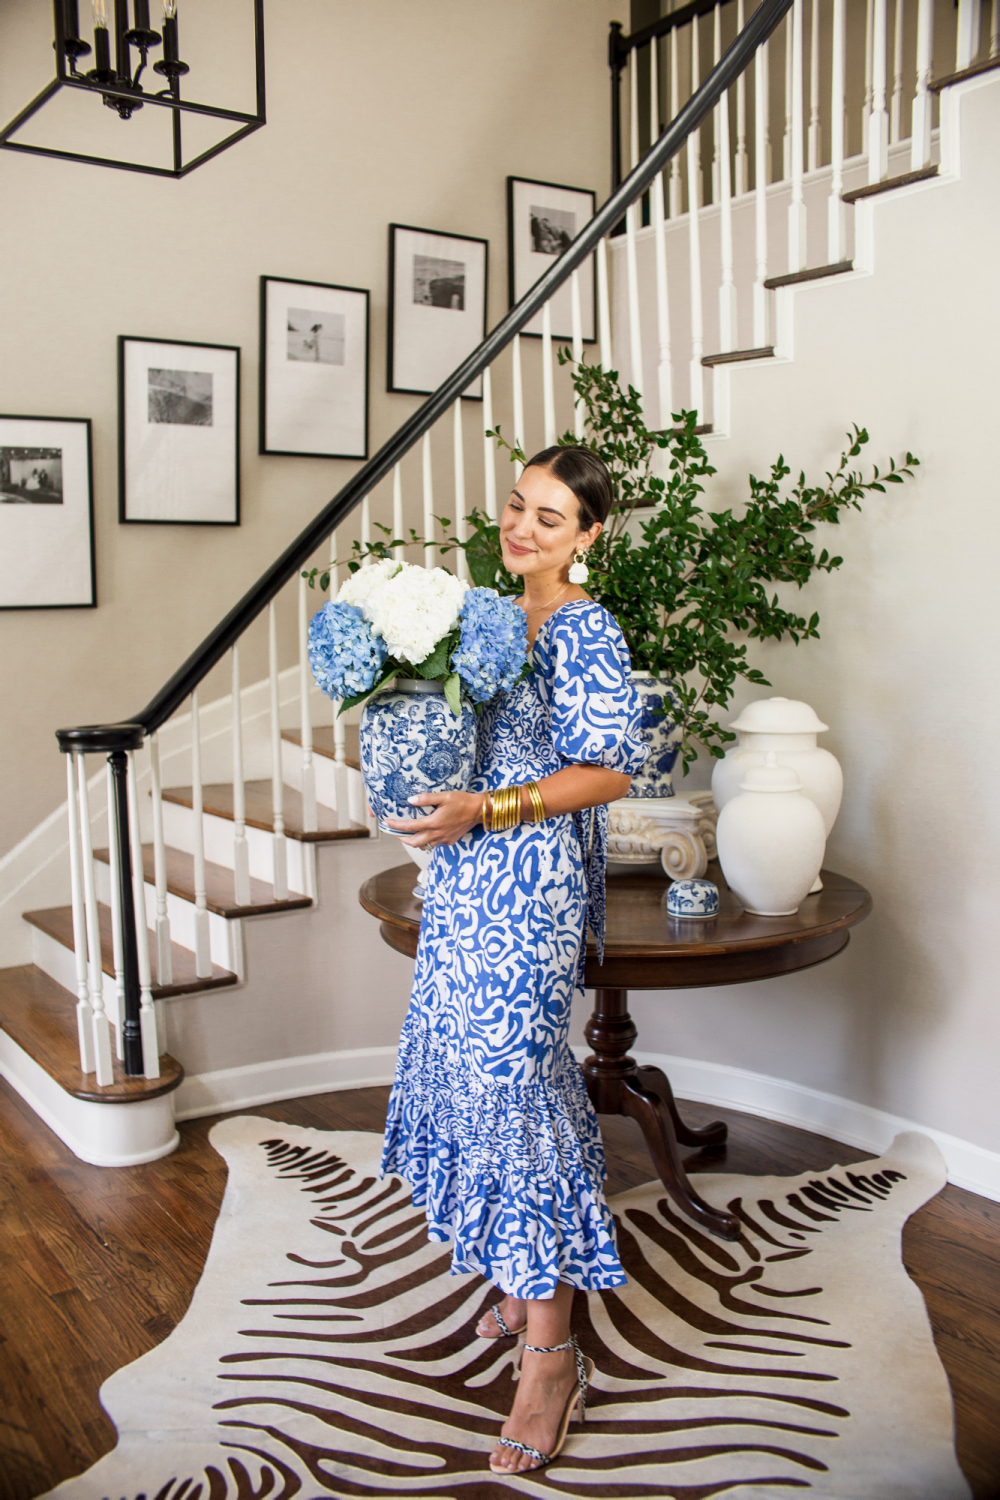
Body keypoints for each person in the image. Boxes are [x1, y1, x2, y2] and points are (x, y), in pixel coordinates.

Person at [382, 445, 647, 1475]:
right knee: (465, 1072)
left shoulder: (584, 626)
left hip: (528, 886)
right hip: (462, 877)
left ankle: (550, 1360)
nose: (522, 527)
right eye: (514, 505)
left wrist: (487, 810)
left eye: (549, 516)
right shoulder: (488, 617)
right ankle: (513, 1277)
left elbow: (610, 770)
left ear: (587, 536)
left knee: (515, 1092)